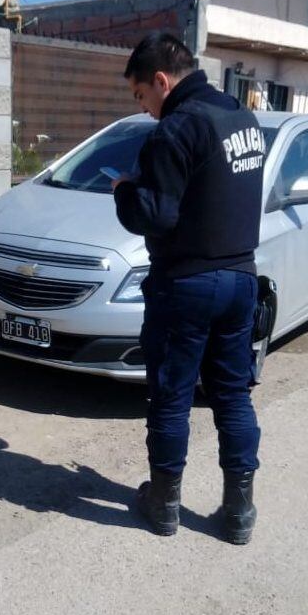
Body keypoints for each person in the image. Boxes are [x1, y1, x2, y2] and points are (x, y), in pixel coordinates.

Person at [112, 33, 265, 545]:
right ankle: (239, 511)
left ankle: (164, 504)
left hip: (187, 284)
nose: (144, 107)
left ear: (161, 80)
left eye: (140, 95)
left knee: (172, 398)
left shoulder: (175, 130)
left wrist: (125, 191)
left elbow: (155, 215)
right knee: (232, 394)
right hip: (241, 278)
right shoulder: (242, 119)